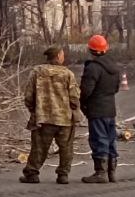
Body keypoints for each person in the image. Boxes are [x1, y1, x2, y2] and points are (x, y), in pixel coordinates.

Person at [20, 45, 82, 185]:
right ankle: (63, 175)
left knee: (39, 148)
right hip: (64, 118)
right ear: (59, 56)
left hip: (43, 117)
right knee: (66, 148)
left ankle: (32, 173)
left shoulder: (37, 72)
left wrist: (34, 110)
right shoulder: (67, 74)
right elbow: (74, 96)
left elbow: (28, 96)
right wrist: (74, 109)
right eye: (62, 54)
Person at [78, 34, 122, 183]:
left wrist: (82, 104)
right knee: (111, 140)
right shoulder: (114, 67)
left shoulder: (93, 68)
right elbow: (116, 88)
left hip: (96, 110)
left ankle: (100, 173)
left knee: (99, 139)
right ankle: (111, 173)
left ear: (91, 49)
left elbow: (86, 91)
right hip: (110, 109)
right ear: (106, 48)